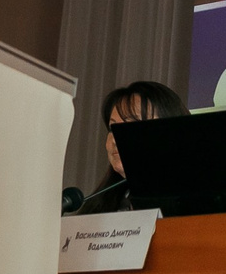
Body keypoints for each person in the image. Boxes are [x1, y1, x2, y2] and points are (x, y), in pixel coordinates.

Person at [79, 80, 187, 214]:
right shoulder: (94, 210)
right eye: (112, 128)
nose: (115, 139)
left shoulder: (197, 207)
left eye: (130, 126)